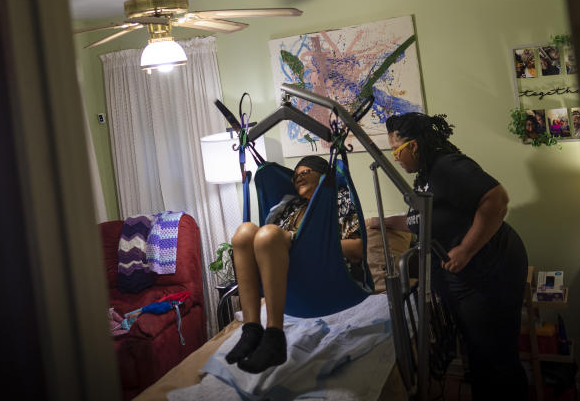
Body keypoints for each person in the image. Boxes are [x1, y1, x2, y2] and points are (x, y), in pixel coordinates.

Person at [386, 113, 529, 400]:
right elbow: (426, 218)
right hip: (467, 277)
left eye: (396, 150)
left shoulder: (446, 166)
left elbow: (497, 199)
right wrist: (384, 222)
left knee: (494, 353)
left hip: (491, 269)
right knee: (478, 351)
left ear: (413, 146)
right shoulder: (426, 175)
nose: (396, 158)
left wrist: (466, 249)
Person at [224, 155, 364, 373]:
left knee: (269, 234)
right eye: (296, 176)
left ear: (323, 175)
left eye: (305, 172)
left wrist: (303, 243)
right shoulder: (290, 208)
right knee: (243, 234)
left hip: (329, 275)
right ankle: (251, 329)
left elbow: (357, 249)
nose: (298, 178)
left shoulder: (339, 199)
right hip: (286, 278)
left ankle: (274, 336)